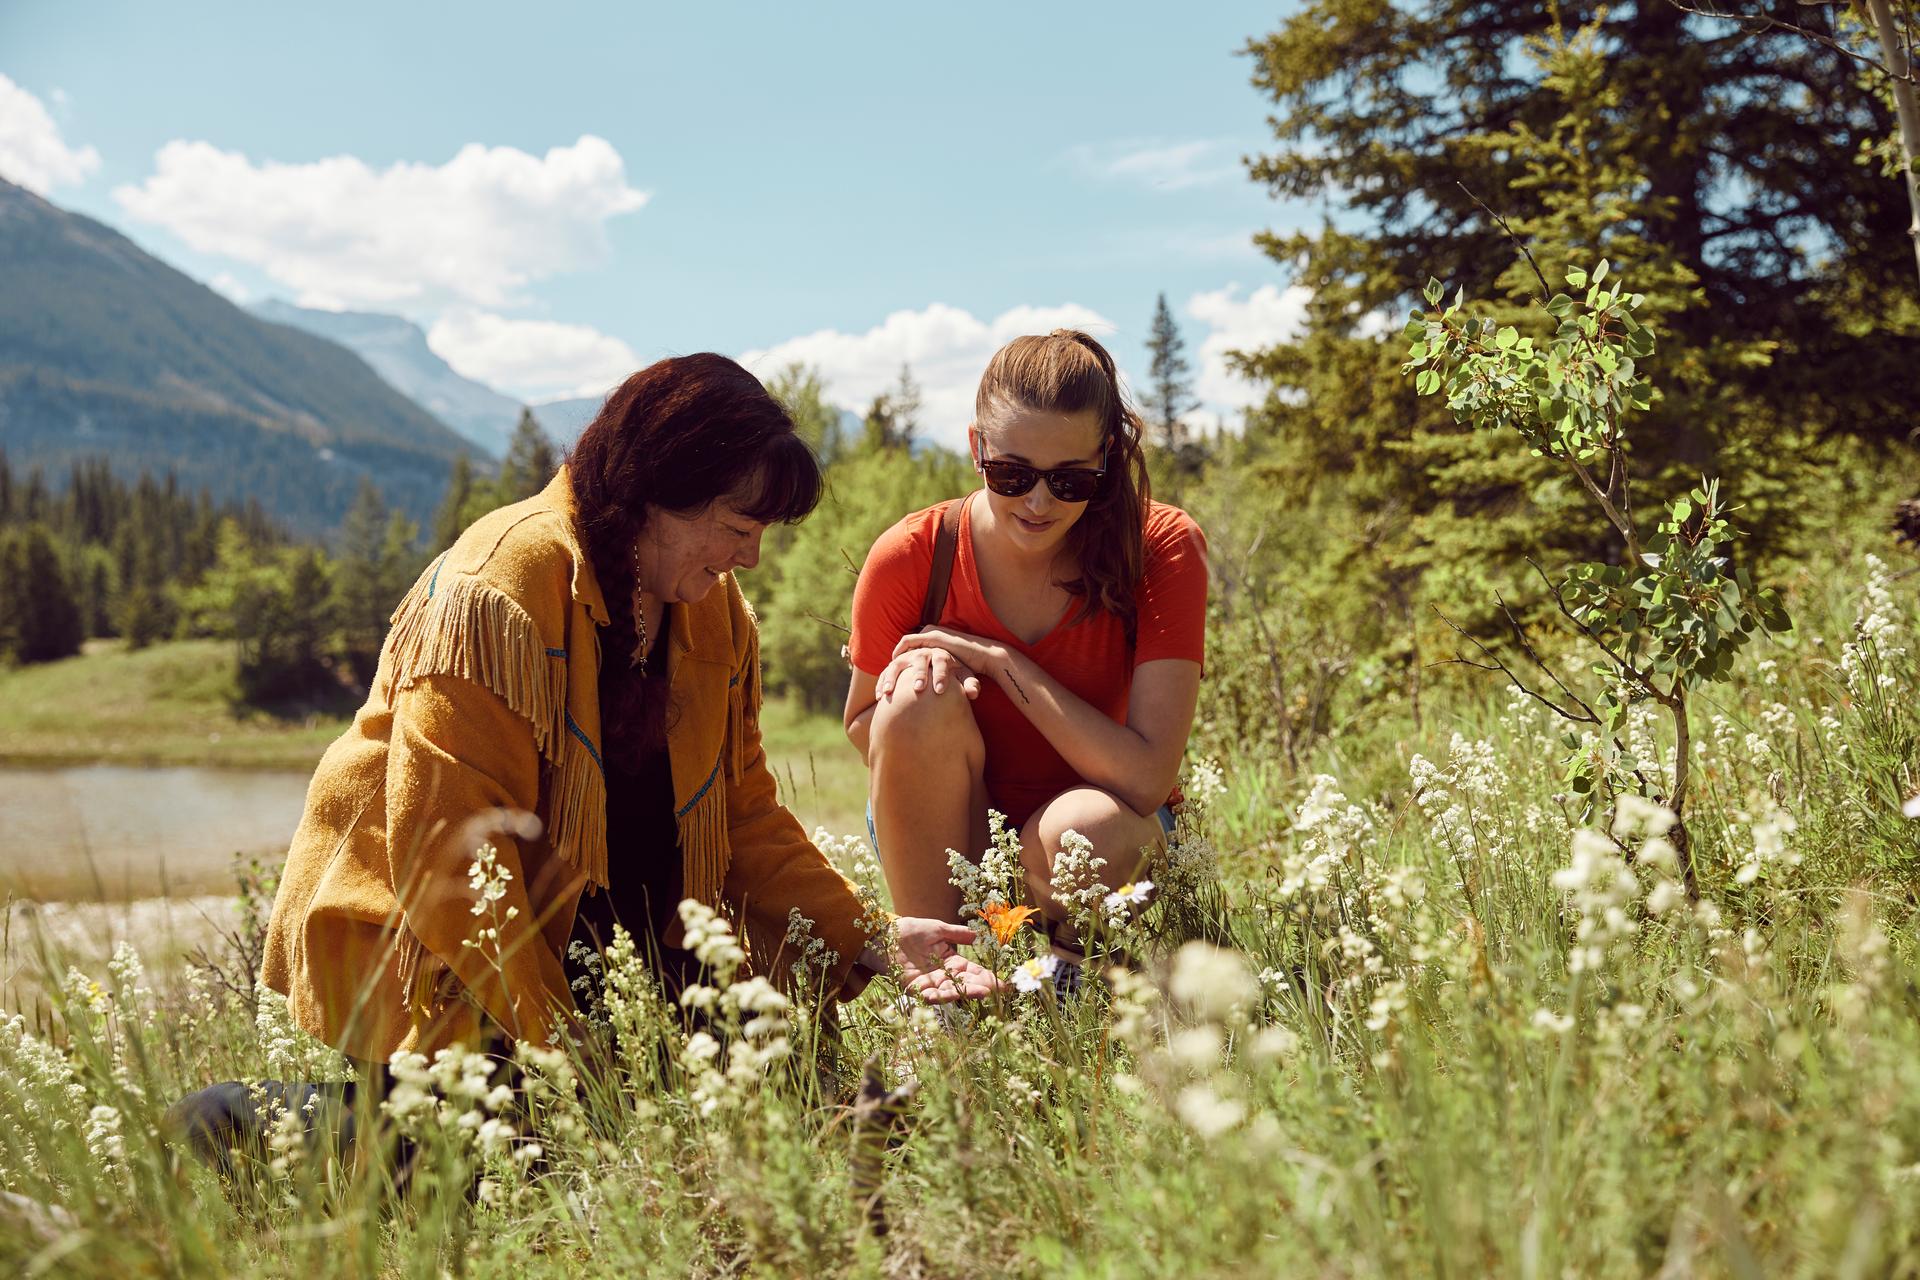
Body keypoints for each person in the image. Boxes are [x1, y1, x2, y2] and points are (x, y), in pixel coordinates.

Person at [174, 354, 996, 1165]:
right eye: (737, 528)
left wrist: (870, 936)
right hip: (468, 966)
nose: (749, 558)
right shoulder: (495, 588)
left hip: (622, 955)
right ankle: (227, 1122)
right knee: (501, 1162)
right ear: (653, 495)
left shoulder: (709, 610)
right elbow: (452, 862)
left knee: (798, 1124)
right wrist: (567, 1061)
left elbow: (742, 811)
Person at [843, 331, 1208, 988]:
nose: (1038, 503)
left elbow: (1147, 779)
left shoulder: (1160, 546)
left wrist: (997, 660)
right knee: (913, 696)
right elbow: (865, 726)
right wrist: (928, 698)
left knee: (1080, 830)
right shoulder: (910, 556)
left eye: (1070, 481)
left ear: (1107, 459)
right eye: (1012, 475)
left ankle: (1072, 985)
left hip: (1102, 852)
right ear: (976, 446)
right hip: (969, 867)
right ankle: (948, 981)